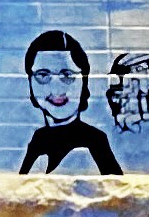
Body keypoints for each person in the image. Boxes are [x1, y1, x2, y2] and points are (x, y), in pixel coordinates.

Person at [19, 30, 123, 175]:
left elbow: (114, 186)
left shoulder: (93, 141)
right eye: (43, 75)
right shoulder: (39, 138)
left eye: (67, 75)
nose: (56, 89)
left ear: (84, 82)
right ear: (30, 82)